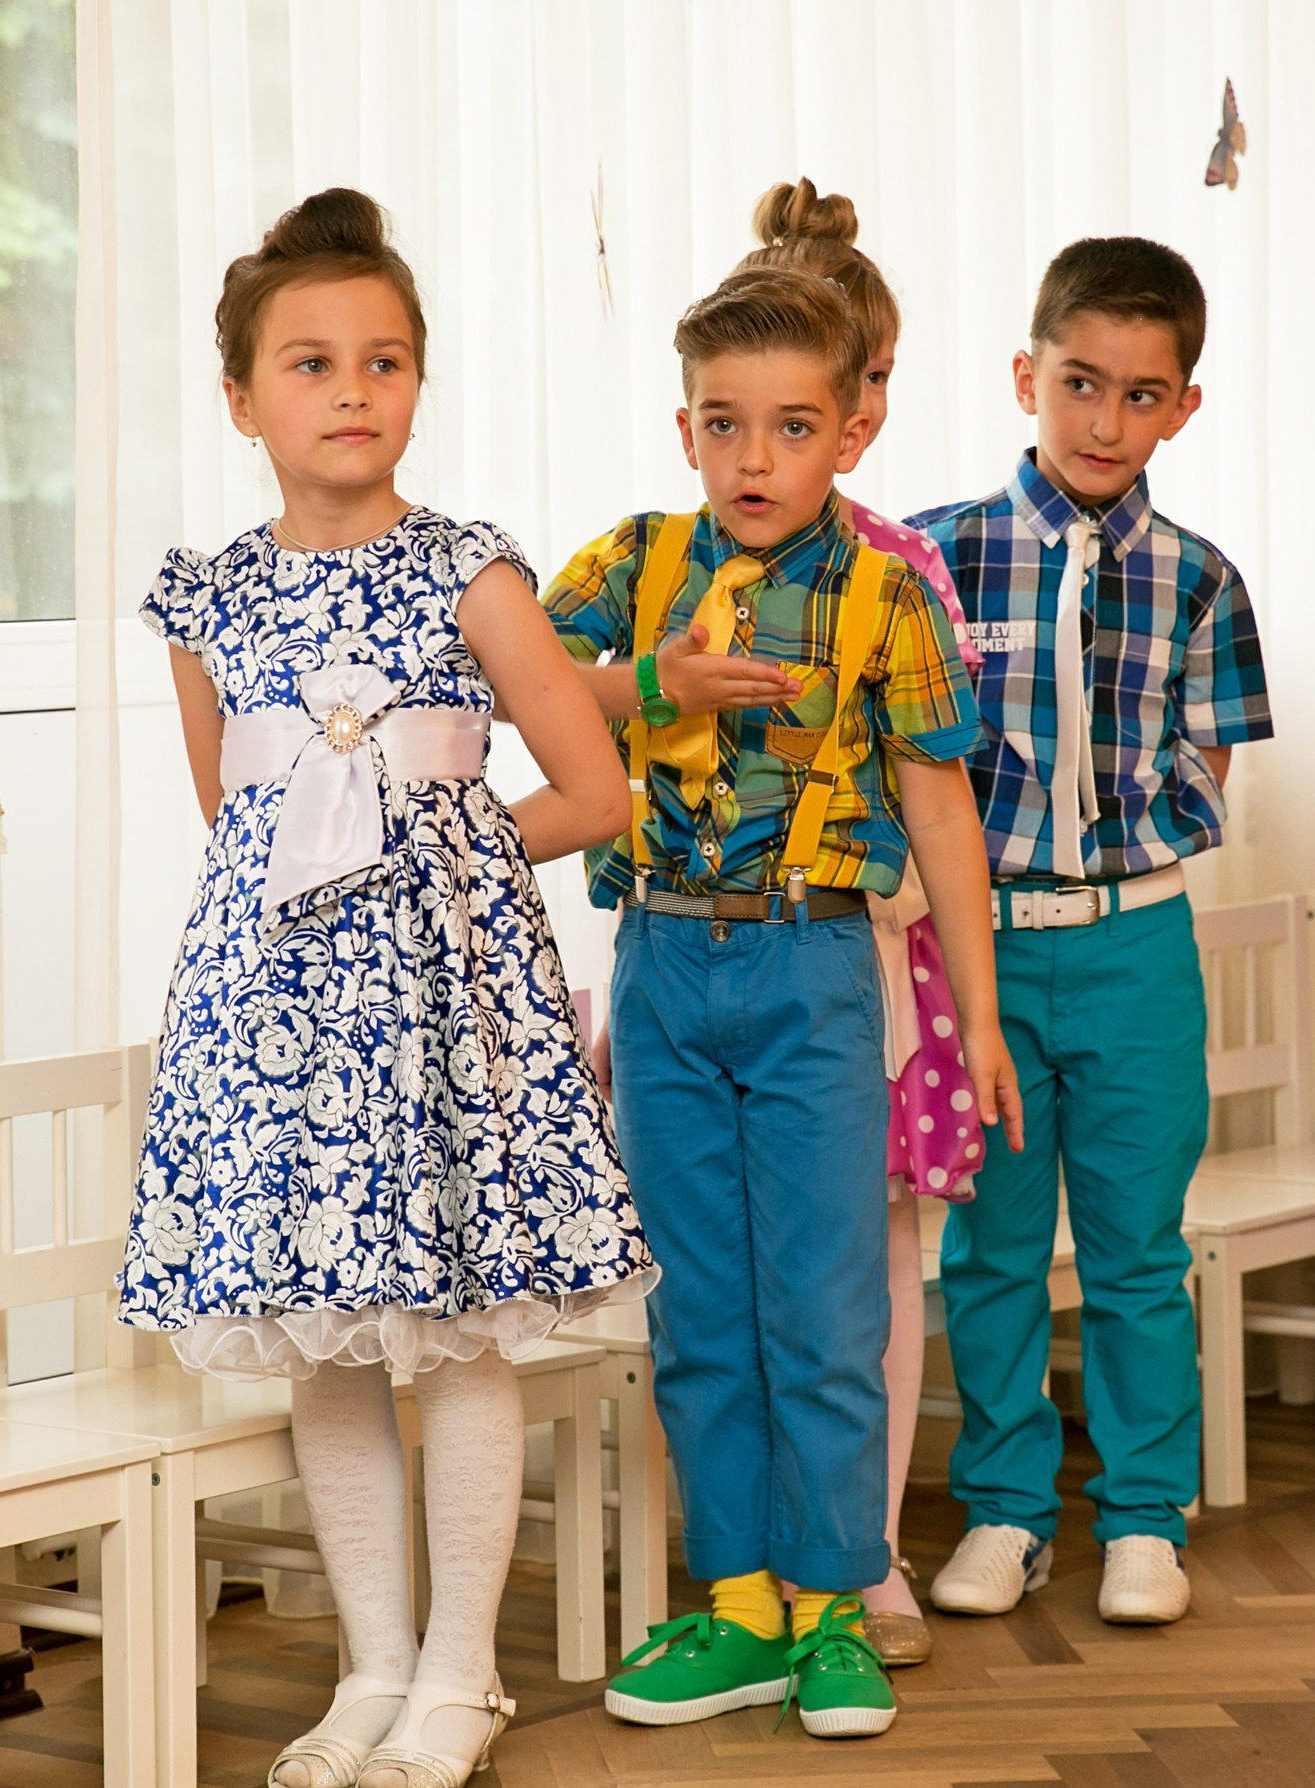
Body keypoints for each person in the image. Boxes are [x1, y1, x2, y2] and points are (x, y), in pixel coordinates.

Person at [113, 188, 652, 1788]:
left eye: (386, 359)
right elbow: (238, 818)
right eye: (311, 362)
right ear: (240, 397)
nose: (352, 389)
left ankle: (462, 1677)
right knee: (328, 1341)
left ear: (419, 382)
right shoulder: (204, 603)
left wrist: (444, 848)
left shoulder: (470, 573)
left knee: (463, 1333)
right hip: (275, 1019)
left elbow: (594, 789)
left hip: (443, 1006)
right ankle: (368, 1672)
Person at [544, 265, 1021, 1740]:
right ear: (685, 428)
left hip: (817, 966)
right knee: (701, 1307)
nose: (758, 459)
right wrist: (655, 683)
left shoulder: (889, 594)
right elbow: (518, 691)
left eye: (793, 426)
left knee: (820, 1306)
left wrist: (983, 1018)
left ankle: (834, 1605)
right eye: (727, 425)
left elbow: (943, 811)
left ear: (850, 436)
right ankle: (740, 1603)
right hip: (663, 967)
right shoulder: (632, 565)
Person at [913, 236, 1274, 1627]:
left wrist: (1132, 824)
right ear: (1027, 376)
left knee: (1134, 1247)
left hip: (1134, 950)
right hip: (982, 947)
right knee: (994, 1247)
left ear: (1183, 404)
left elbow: (1210, 764)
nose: (1106, 421)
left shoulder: (1201, 578)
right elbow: (910, 760)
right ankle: (1006, 1507)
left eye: (1142, 394)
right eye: (1080, 385)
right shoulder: (938, 558)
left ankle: (1142, 1515)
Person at [729, 175, 986, 1670]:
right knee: (738, 1276)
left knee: (877, 1273)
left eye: (871, 377)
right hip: (717, 968)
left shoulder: (906, 569)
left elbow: (939, 787)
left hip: (877, 970)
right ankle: (754, 1565)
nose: (854, 407)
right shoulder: (672, 569)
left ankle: (864, 1558)